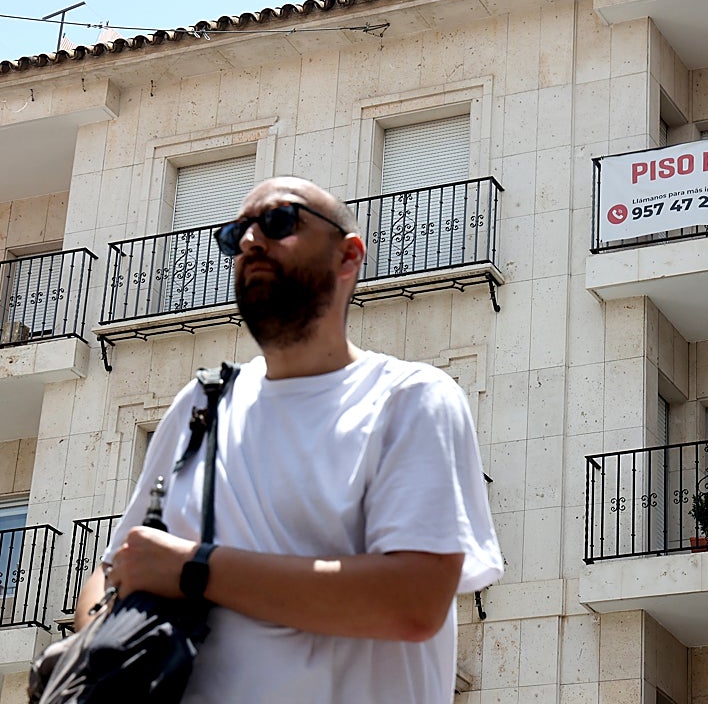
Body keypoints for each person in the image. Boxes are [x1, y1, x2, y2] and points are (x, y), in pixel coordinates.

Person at [75, 176, 503, 702]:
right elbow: (119, 566)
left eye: (279, 222)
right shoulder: (203, 403)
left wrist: (193, 568)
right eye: (236, 235)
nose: (252, 240)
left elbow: (412, 602)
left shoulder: (409, 399)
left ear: (348, 257)